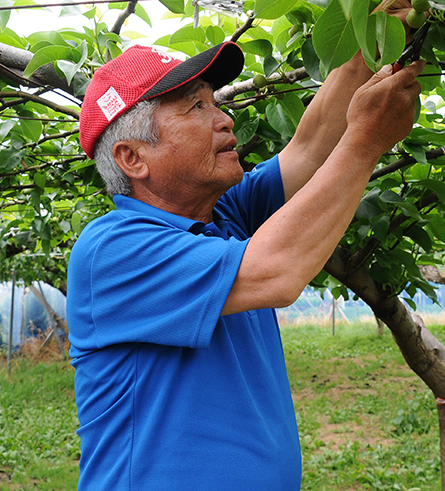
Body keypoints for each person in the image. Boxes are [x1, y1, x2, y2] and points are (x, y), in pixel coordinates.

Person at [67, 39, 424, 490]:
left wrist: (373, 39)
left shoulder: (223, 217)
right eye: (195, 107)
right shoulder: (114, 250)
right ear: (133, 158)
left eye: (213, 101)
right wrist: (367, 141)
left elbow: (311, 148)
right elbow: (278, 269)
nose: (223, 118)